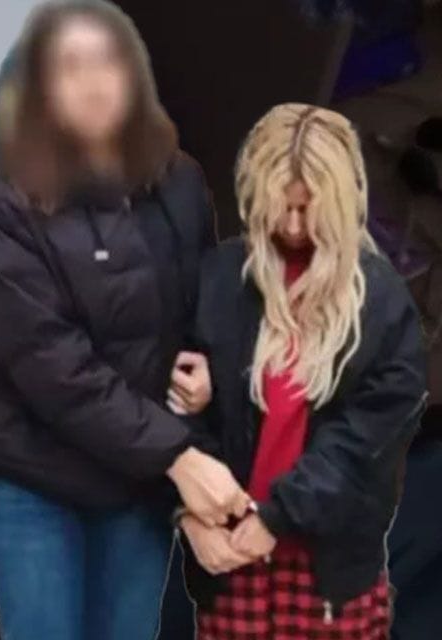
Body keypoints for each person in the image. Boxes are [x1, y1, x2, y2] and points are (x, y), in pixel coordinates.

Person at [0, 1, 248, 638]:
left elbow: (207, 310)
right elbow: (57, 372)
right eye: (70, 66)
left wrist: (211, 371)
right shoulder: (1, 214)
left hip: (138, 476)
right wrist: (181, 459)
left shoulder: (180, 183)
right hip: (34, 473)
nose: (92, 82)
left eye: (107, 61)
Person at [171, 104, 427, 639]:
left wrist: (278, 517)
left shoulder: (381, 301)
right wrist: (189, 516)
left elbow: (364, 444)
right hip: (231, 556)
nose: (291, 226)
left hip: (328, 566)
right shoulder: (219, 279)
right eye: (279, 208)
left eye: (307, 210)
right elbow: (176, 411)